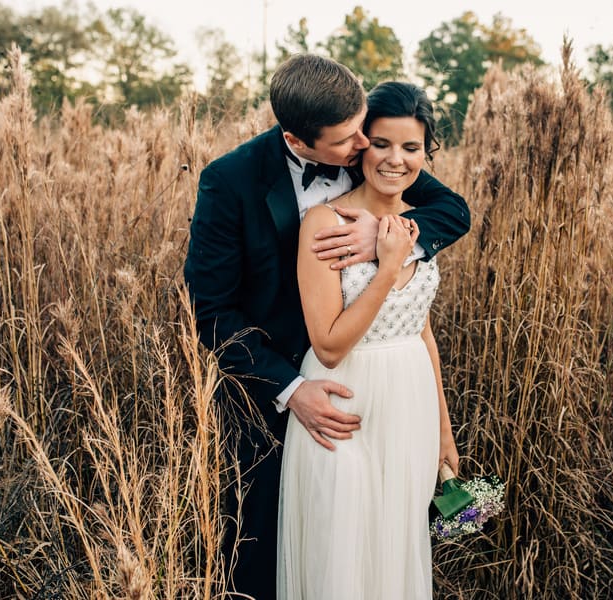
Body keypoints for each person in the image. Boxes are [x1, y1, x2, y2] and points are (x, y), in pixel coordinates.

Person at [183, 55, 470, 600]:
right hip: (274, 388)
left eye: (366, 128)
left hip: (396, 397)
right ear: (298, 139)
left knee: (389, 542)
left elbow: (452, 209)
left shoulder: (371, 154)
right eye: (350, 140)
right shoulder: (229, 182)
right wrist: (291, 391)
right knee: (270, 551)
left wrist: (393, 236)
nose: (366, 145)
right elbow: (213, 313)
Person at [277, 81, 461, 600]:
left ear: (427, 153)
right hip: (342, 408)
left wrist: (444, 433)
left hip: (411, 411)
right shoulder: (324, 221)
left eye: (411, 147)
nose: (395, 160)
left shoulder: (419, 225)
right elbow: (330, 345)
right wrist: (385, 266)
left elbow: (422, 332)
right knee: (342, 557)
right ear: (361, 145)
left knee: (395, 552)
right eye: (381, 144)